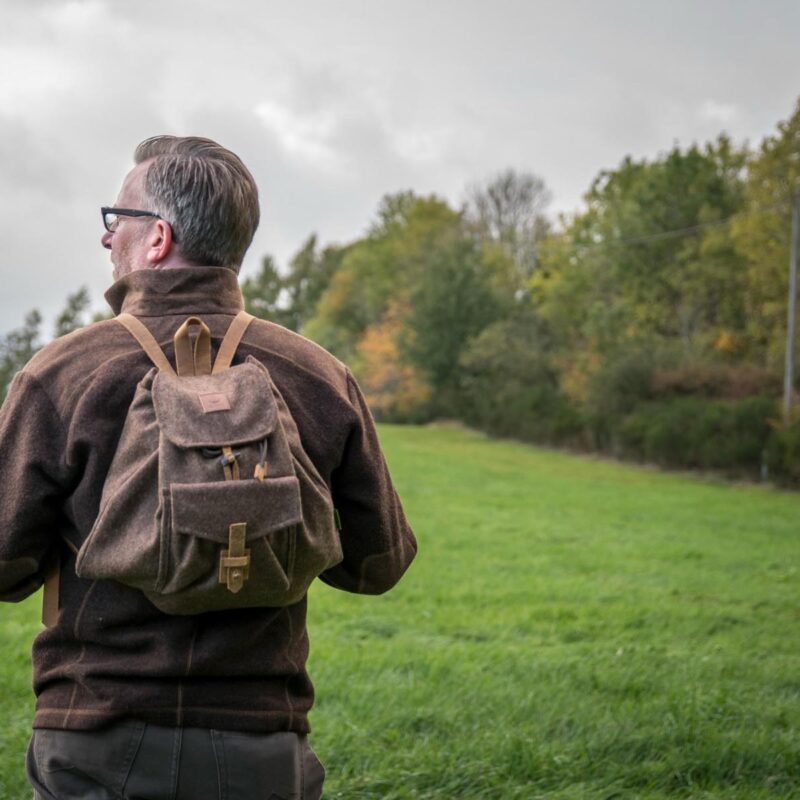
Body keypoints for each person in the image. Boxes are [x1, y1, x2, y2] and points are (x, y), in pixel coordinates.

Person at [0, 135, 417, 800]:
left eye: (118, 220)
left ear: (157, 238)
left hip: (97, 735)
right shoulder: (317, 375)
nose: (108, 240)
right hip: (262, 744)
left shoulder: (62, 375)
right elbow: (378, 564)